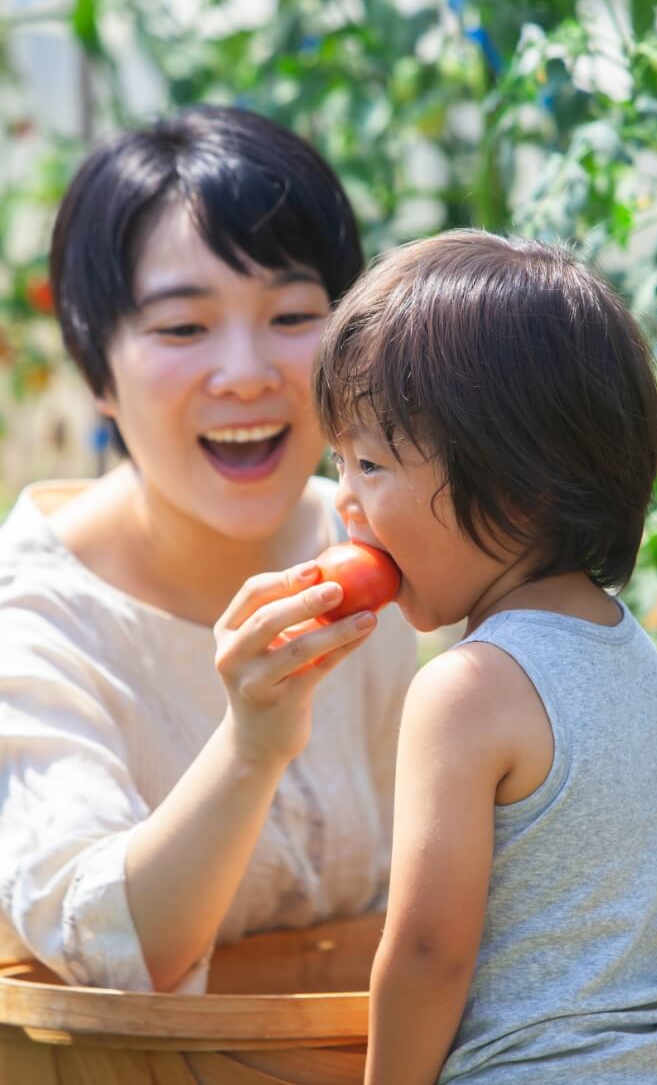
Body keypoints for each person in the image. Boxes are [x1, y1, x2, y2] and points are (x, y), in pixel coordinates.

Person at [0, 105, 416, 995]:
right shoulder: (34, 621)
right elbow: (105, 948)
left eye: (294, 314)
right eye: (184, 328)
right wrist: (251, 747)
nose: (246, 372)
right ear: (95, 373)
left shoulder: (372, 545)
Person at [314, 230, 657, 1085]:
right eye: (338, 461)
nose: (343, 498)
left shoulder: (465, 688)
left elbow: (428, 951)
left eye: (372, 462)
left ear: (519, 485)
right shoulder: (628, 650)